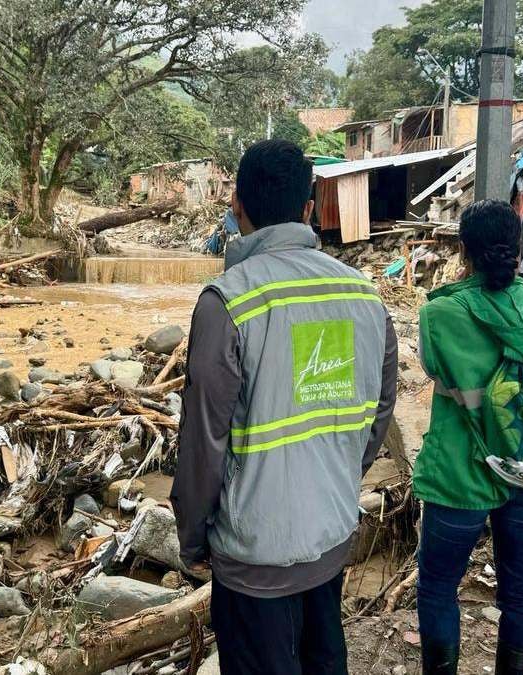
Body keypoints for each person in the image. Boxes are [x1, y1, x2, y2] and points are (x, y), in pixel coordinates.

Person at [170, 139, 399, 675]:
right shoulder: (365, 295)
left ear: (236, 208)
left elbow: (203, 440)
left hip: (253, 555)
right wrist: (338, 479)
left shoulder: (227, 301)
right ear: (309, 210)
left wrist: (192, 536)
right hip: (331, 536)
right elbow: (379, 412)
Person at [413, 200, 523, 675]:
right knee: (521, 590)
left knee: (437, 587)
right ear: (520, 247)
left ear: (464, 250)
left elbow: (436, 371)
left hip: (461, 471)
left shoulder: (443, 314)